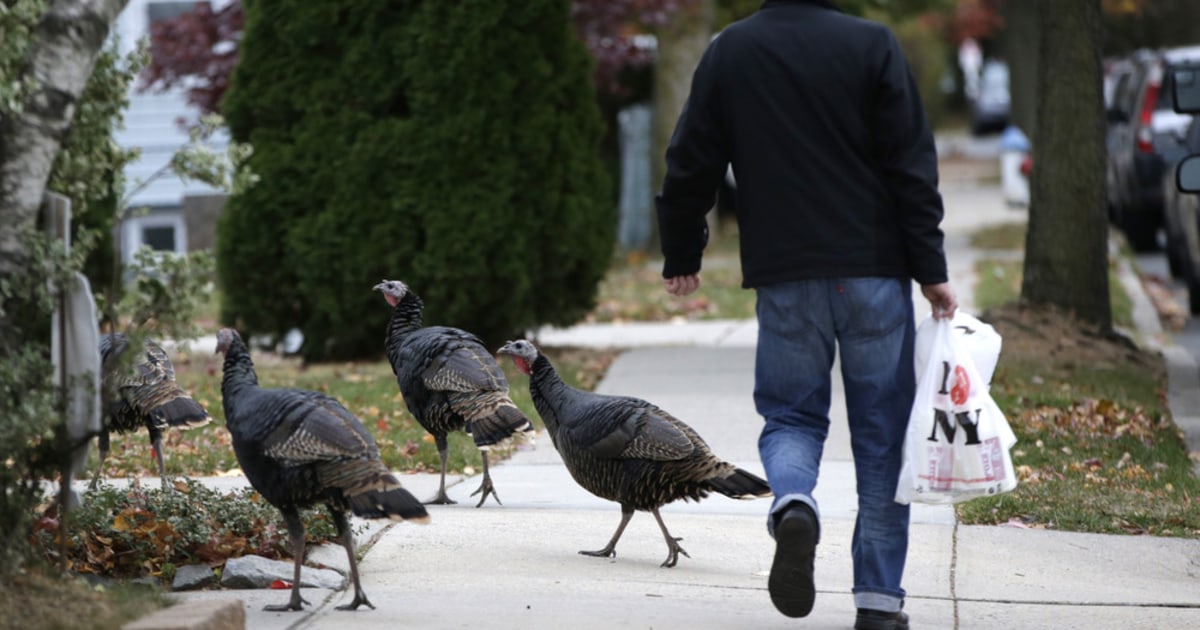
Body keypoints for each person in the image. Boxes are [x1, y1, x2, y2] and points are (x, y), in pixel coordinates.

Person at [655, 2, 957, 629]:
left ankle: (794, 503)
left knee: (791, 416)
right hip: (874, 269)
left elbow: (691, 158)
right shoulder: (873, 44)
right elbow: (910, 163)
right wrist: (931, 269)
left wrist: (683, 250)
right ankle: (878, 602)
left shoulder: (731, 50)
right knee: (880, 437)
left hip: (785, 274)